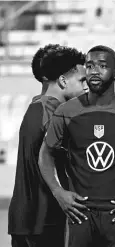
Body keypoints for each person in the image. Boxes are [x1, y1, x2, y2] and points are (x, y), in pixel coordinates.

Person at [38, 45, 115, 247]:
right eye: (89, 66)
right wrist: (58, 191)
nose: (94, 71)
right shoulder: (66, 111)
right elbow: (46, 153)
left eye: (102, 65)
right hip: (80, 216)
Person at [8, 45, 88, 247]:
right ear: (62, 80)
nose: (86, 86)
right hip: (43, 219)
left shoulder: (38, 105)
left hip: (29, 219)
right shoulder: (51, 112)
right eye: (82, 80)